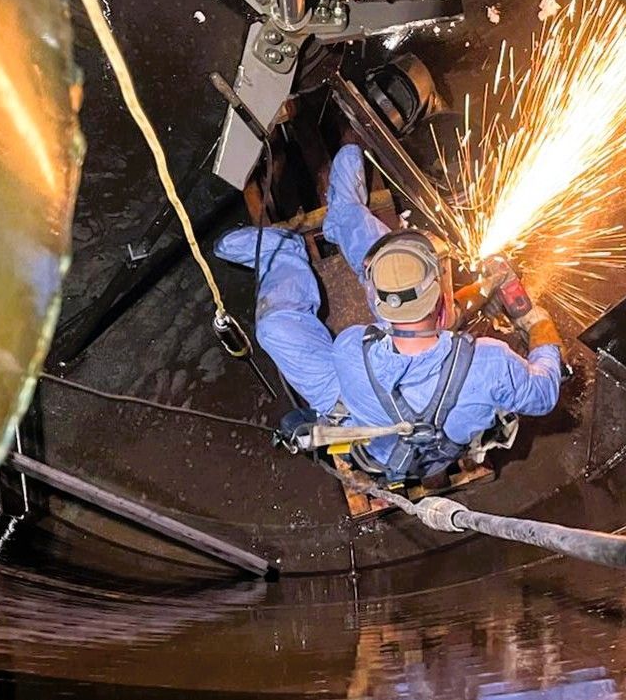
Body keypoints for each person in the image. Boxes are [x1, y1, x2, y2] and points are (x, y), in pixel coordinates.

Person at [213, 143, 564, 483]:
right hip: (427, 446)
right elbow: (544, 392)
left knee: (275, 327)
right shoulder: (491, 364)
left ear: (373, 298)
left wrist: (473, 292)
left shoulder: (352, 348)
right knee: (390, 257)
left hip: (365, 430)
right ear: (441, 296)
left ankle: (288, 251)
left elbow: (422, 323)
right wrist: (539, 325)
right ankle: (344, 214)